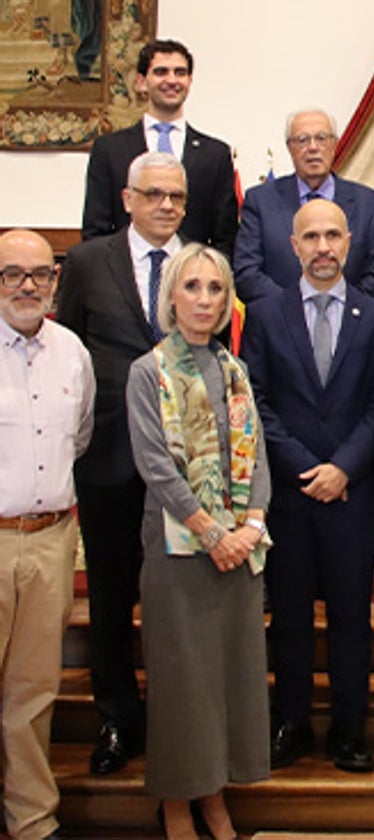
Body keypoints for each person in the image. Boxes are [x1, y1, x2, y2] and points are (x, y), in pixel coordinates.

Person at [126, 243, 270, 840]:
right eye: (192, 287)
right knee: (184, 683)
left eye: (215, 289)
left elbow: (257, 454)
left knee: (229, 680)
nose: (204, 300)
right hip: (179, 554)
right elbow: (156, 467)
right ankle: (180, 804)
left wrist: (251, 526)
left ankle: (217, 795)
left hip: (238, 553)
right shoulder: (148, 371)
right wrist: (213, 533)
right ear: (171, 297)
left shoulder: (235, 369)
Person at [241, 200, 374, 774]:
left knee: (353, 616)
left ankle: (350, 727)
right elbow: (255, 400)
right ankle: (293, 719)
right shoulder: (264, 313)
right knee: (292, 615)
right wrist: (306, 466)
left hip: (353, 493)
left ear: (349, 242)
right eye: (312, 237)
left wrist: (344, 468)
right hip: (289, 493)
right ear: (293, 244)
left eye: (333, 235)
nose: (323, 247)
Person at [57, 151, 188, 776]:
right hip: (107, 456)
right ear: (129, 198)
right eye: (155, 194)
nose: (167, 206)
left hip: (188, 469)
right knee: (110, 597)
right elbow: (67, 350)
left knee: (175, 599)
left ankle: (174, 721)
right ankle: (116, 717)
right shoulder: (87, 262)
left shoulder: (201, 266)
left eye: (178, 197)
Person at [0, 230, 94, 840]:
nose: (27, 285)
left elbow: (79, 437)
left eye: (39, 273)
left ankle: (31, 818)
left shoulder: (73, 353)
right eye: (12, 273)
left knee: (33, 693)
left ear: (56, 281)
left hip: (52, 539)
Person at [82, 39, 237, 257]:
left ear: (190, 81)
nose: (172, 80)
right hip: (125, 278)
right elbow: (95, 229)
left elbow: (225, 237)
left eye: (180, 73)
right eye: (161, 72)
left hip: (191, 278)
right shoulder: (109, 150)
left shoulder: (215, 154)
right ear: (141, 82)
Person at [234, 109, 374, 304]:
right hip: (279, 325)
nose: (313, 147)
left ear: (335, 144)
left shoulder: (371, 204)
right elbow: (247, 272)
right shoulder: (260, 201)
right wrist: (293, 311)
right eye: (302, 140)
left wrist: (340, 311)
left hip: (353, 326)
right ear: (289, 147)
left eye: (322, 138)